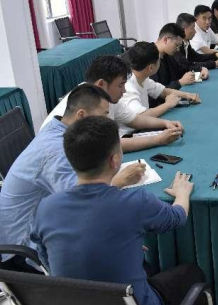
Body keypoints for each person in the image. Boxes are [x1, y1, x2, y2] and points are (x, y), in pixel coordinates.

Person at [32, 116, 206, 305]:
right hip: (134, 300)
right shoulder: (136, 202)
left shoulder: (46, 207)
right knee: (191, 273)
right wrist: (182, 193)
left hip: (74, 299)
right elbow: (177, 217)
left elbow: (46, 257)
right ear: (115, 160)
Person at [0, 85, 145, 273]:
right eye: (103, 115)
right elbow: (81, 200)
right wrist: (122, 179)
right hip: (27, 250)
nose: (107, 121)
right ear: (81, 115)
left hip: (50, 222)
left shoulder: (60, 128)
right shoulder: (55, 151)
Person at [41, 55, 184, 152]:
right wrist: (158, 139)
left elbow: (136, 120)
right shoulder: (86, 105)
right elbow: (109, 145)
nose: (124, 90)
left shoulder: (105, 98)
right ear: (101, 84)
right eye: (121, 85)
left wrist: (165, 123)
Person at [119, 42, 201, 135]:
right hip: (129, 134)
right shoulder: (128, 86)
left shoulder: (142, 77)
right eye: (159, 60)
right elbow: (141, 116)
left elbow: (163, 91)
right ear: (151, 68)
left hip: (141, 128)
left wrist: (187, 95)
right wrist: (168, 104)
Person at [151, 23, 202, 94]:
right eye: (177, 45)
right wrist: (180, 83)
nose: (177, 49)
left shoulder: (168, 55)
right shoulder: (149, 59)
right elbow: (154, 92)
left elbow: (181, 70)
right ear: (166, 40)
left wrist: (199, 70)